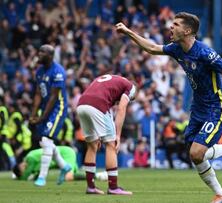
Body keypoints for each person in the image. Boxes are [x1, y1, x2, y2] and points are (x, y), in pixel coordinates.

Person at [116, 12, 222, 203]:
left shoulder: (205, 53)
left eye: (176, 24)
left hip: (216, 106)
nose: (171, 27)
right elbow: (153, 48)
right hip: (198, 107)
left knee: (197, 152)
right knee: (194, 155)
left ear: (187, 31)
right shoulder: (177, 49)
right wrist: (129, 32)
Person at [76, 74, 136, 195]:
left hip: (81, 105)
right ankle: (113, 187)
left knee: (92, 146)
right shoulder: (131, 88)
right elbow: (121, 109)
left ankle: (91, 187)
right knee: (111, 144)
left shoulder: (110, 79)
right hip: (97, 105)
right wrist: (118, 135)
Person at [29, 44, 71, 186]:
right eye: (39, 51)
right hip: (45, 107)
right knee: (44, 142)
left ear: (50, 55)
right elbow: (38, 94)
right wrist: (33, 114)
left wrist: (41, 118)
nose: (39, 54)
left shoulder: (58, 72)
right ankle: (64, 166)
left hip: (57, 109)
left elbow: (53, 98)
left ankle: (42, 177)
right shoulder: (40, 71)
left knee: (46, 139)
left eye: (43, 52)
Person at [12, 146, 109, 182]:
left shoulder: (30, 158)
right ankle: (92, 174)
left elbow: (26, 176)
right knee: (75, 173)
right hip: (63, 154)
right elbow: (39, 171)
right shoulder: (31, 162)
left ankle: (99, 175)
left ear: (21, 166)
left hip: (65, 154)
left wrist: (19, 178)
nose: (25, 168)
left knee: (68, 177)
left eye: (22, 169)